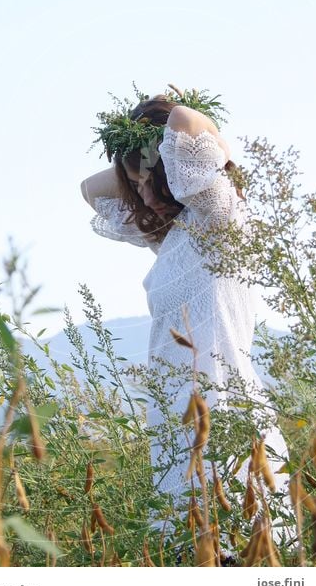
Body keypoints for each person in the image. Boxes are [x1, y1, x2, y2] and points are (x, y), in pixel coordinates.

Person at [81, 87, 294, 544]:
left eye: (148, 180)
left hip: (223, 400)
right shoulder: (169, 236)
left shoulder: (219, 215)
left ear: (177, 167)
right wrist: (134, 163)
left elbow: (182, 118)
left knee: (236, 542)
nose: (141, 193)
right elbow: (89, 190)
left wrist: (197, 142)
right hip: (175, 410)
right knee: (191, 548)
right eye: (133, 185)